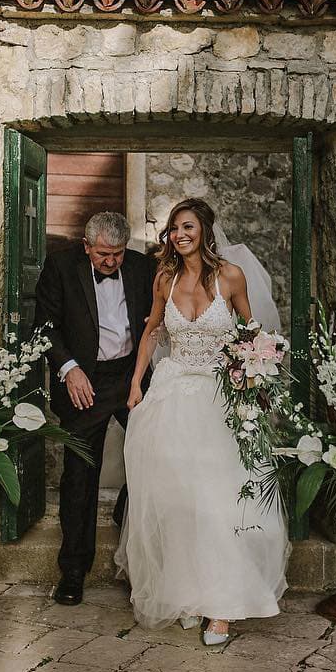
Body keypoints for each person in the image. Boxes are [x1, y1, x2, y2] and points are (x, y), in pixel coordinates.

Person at [114, 198, 289, 645]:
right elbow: (152, 332)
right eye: (174, 228)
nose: (179, 234)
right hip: (171, 397)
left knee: (218, 503)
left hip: (218, 400)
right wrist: (136, 384)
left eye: (187, 226)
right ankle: (191, 592)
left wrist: (255, 371)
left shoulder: (231, 276)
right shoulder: (165, 278)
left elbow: (254, 333)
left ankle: (223, 606)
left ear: (205, 230)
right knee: (179, 503)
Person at [34, 212, 156, 606]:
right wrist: (69, 369)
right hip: (84, 380)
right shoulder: (61, 266)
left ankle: (129, 521)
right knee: (79, 476)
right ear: (86, 246)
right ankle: (72, 570)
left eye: (118, 254)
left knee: (155, 460)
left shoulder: (142, 267)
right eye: (104, 254)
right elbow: (45, 326)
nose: (111, 262)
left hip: (132, 377)